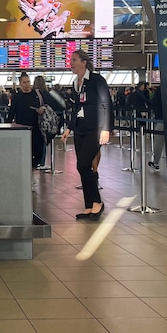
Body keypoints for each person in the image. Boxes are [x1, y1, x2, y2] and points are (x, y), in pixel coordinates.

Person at [61, 49, 111, 220]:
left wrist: (106, 128)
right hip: (80, 128)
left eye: (74, 60)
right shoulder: (76, 83)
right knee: (82, 166)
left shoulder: (97, 80)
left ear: (84, 62)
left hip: (95, 129)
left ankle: (97, 201)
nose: (71, 63)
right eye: (71, 60)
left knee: (83, 165)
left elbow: (106, 103)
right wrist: (69, 127)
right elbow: (76, 108)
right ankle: (89, 206)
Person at [6, 72, 48, 169]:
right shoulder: (17, 97)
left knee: (38, 153)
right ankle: (27, 174)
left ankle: (32, 168)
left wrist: (42, 110)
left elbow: (46, 106)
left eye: (28, 82)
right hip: (22, 130)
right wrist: (7, 126)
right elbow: (12, 112)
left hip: (37, 128)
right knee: (25, 153)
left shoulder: (37, 94)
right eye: (24, 82)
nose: (27, 84)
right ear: (20, 84)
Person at [32, 75, 62, 169]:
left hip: (35, 119)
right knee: (43, 141)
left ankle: (37, 161)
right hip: (46, 120)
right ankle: (42, 162)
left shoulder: (33, 93)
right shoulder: (48, 93)